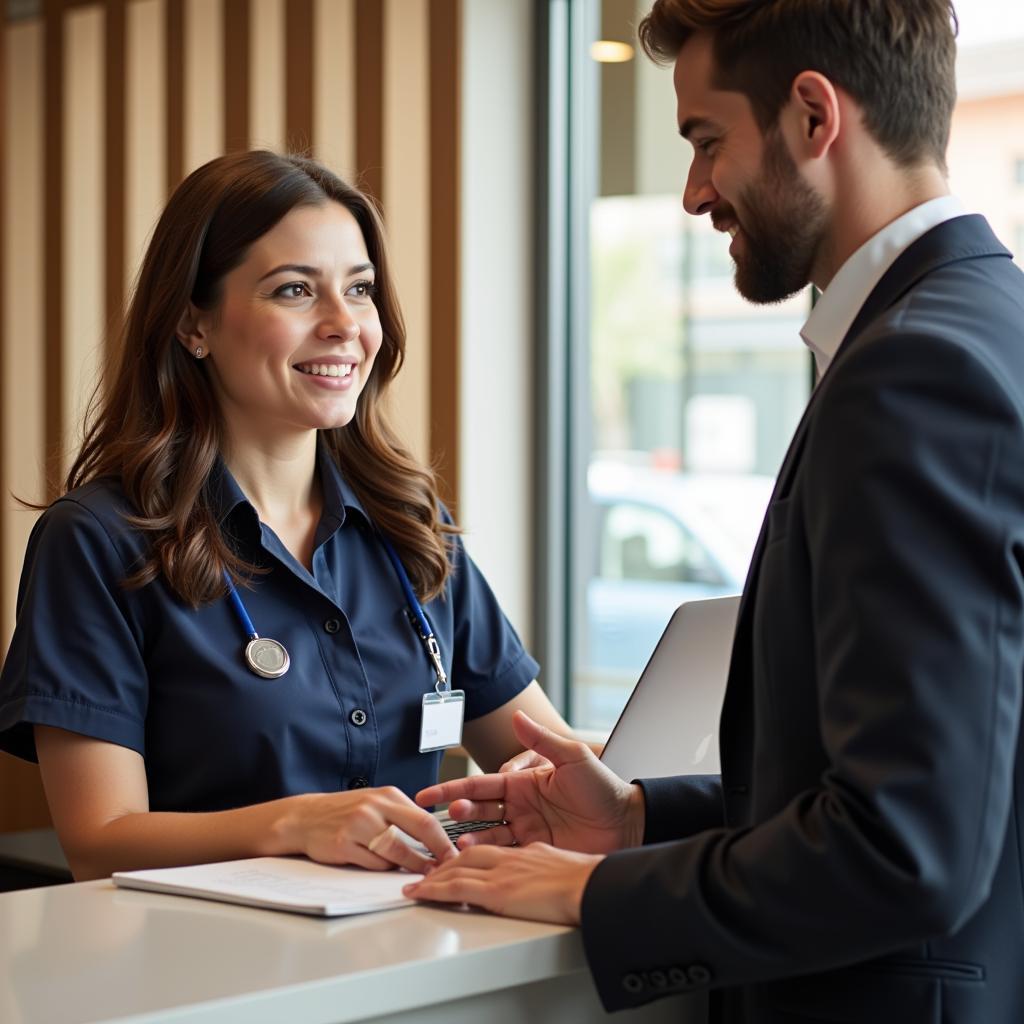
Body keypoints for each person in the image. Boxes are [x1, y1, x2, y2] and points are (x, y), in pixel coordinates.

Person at [404, 1, 1024, 1021]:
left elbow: (904, 845)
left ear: (814, 117)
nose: (694, 192)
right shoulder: (982, 325)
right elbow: (959, 768)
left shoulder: (910, 369)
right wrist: (638, 816)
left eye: (706, 141)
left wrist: (593, 889)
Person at [0, 150, 572, 881]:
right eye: (295, 290)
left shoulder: (412, 526)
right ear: (191, 325)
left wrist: (540, 787)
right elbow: (98, 842)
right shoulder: (100, 540)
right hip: (208, 970)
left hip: (411, 947)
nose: (343, 324)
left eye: (359, 290)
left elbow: (544, 754)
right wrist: (296, 823)